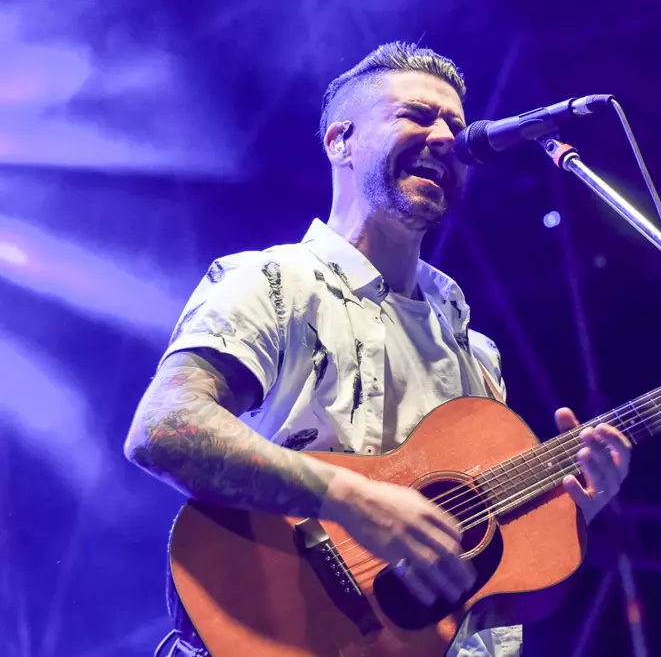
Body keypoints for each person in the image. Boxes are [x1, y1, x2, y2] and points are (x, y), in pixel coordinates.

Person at [125, 41, 632, 657]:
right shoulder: (273, 281)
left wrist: (572, 507)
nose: (447, 137)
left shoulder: (476, 352)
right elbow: (164, 429)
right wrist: (355, 500)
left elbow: (473, 556)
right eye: (417, 116)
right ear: (340, 140)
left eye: (456, 124)